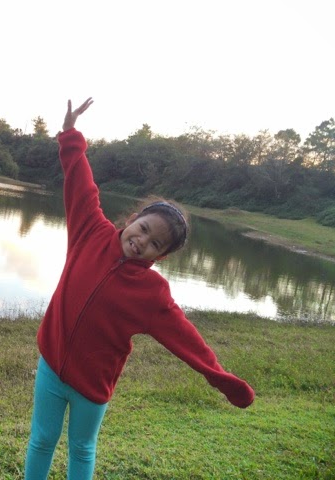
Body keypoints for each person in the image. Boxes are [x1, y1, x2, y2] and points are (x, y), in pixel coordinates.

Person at [24, 98, 255, 480]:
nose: (141, 241)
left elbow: (186, 339)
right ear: (133, 219)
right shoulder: (90, 231)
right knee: (41, 439)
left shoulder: (152, 292)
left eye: (154, 243)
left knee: (81, 449)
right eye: (143, 228)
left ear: (160, 256)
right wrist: (69, 134)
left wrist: (220, 377)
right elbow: (81, 184)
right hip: (51, 364)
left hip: (92, 385)